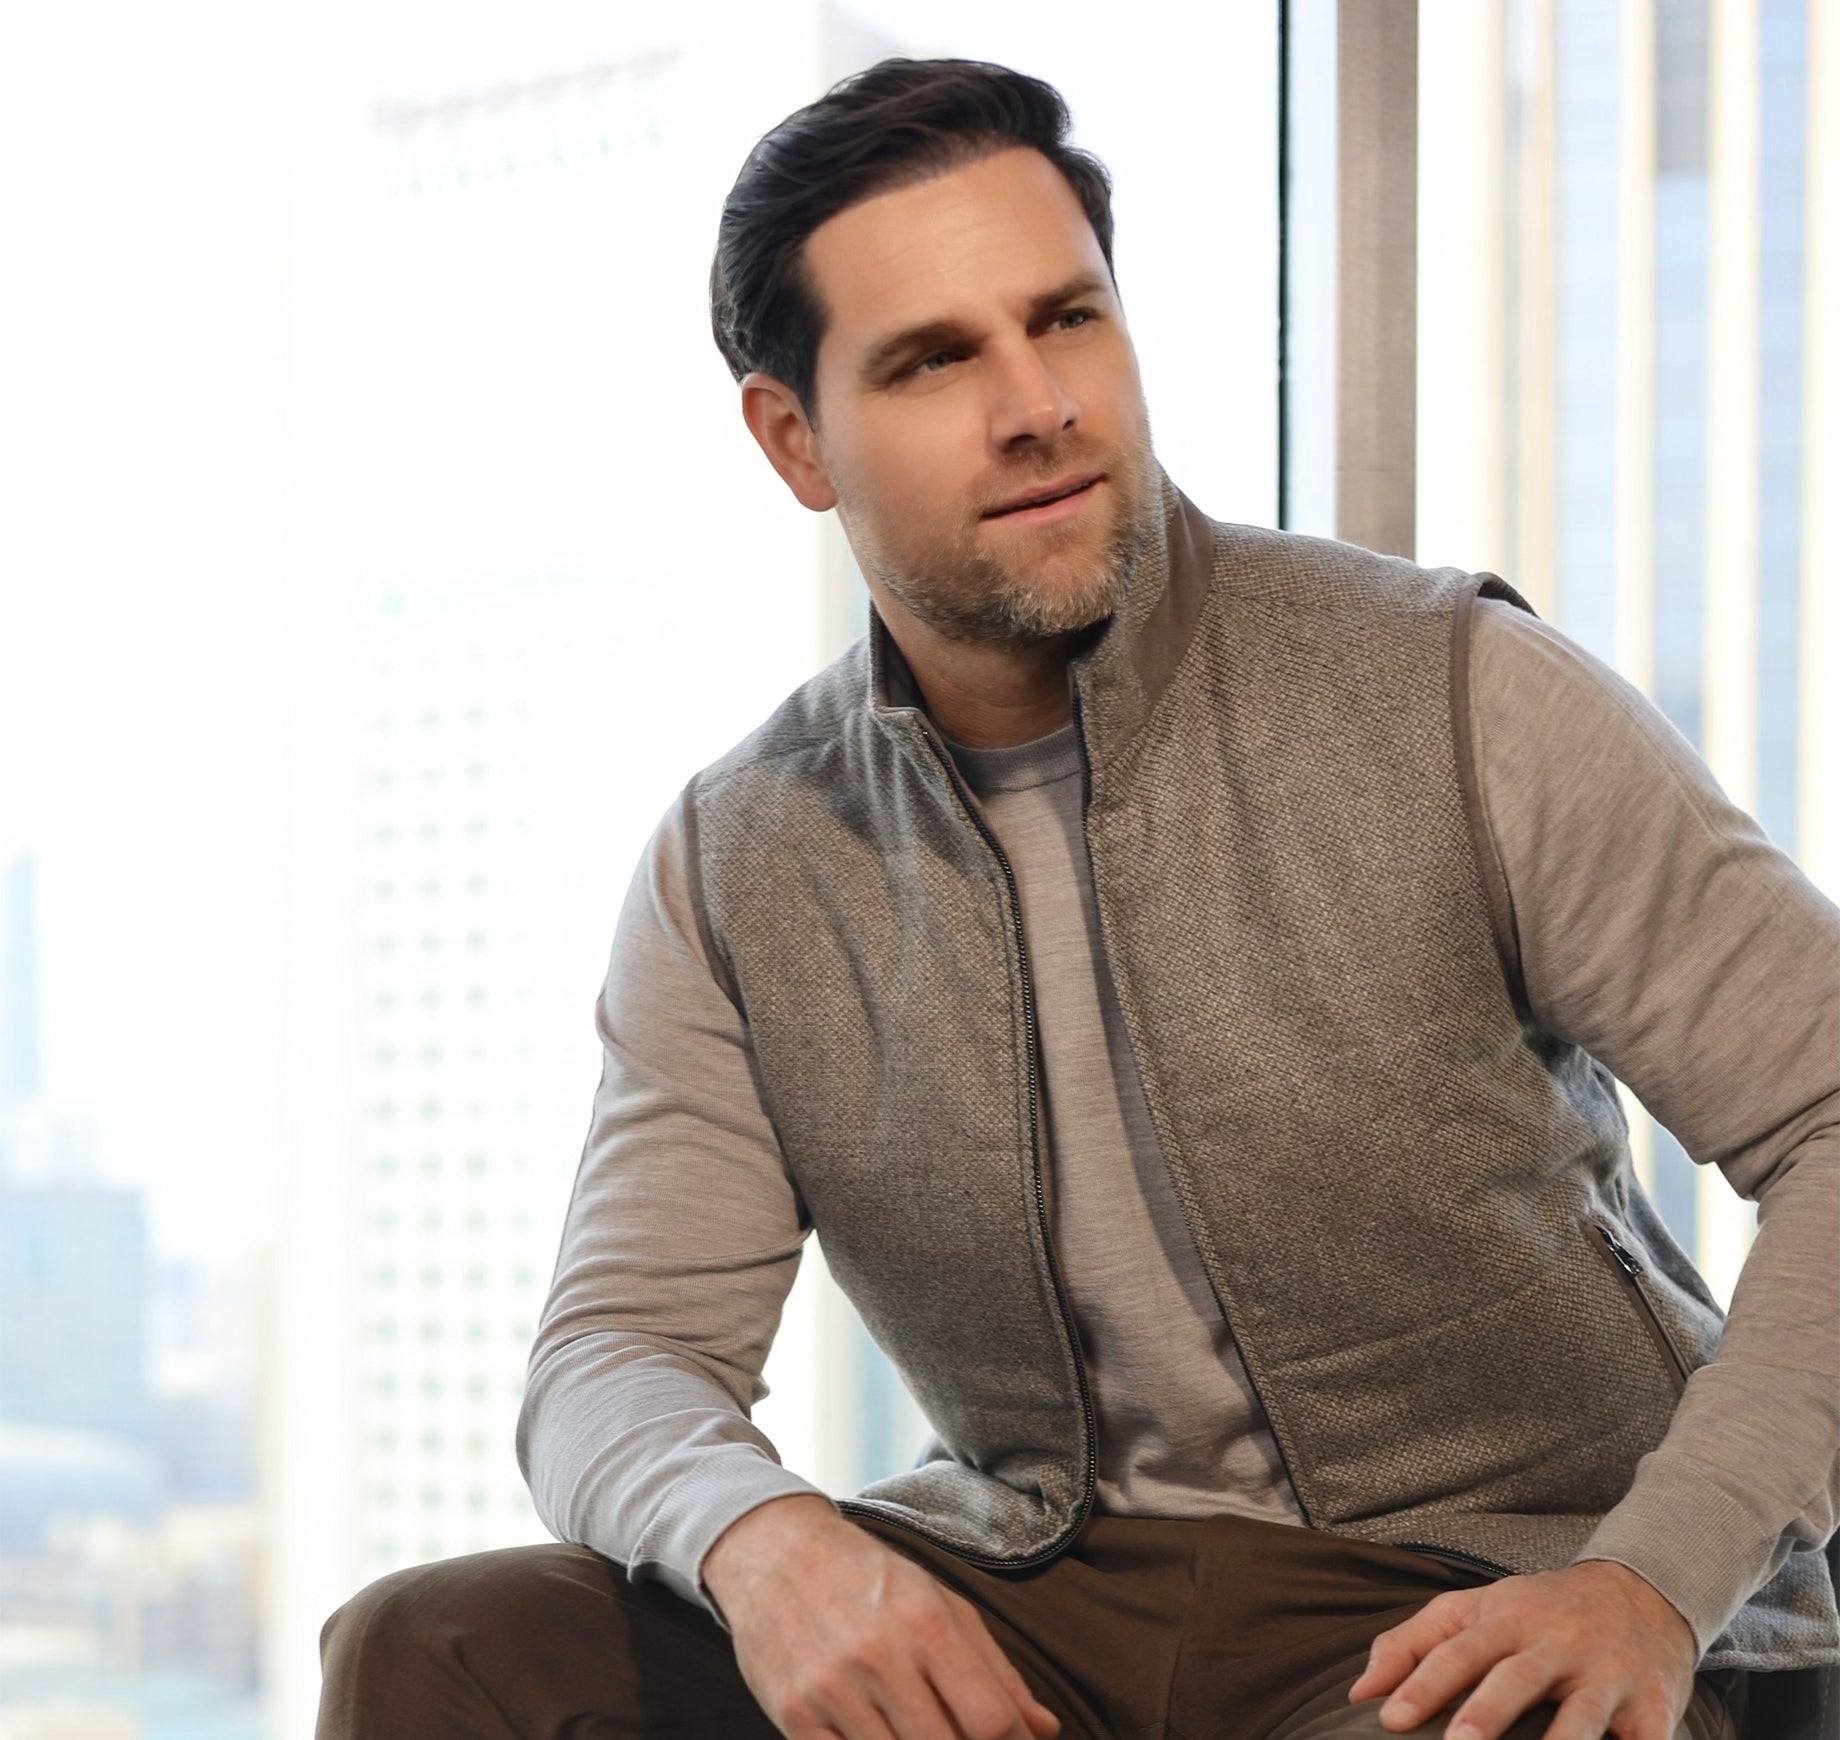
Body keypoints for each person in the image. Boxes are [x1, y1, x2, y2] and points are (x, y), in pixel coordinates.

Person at [314, 57, 1839, 1740]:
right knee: (437, 1650)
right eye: (934, 359)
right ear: (792, 438)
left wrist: (1659, 1575)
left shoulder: (1457, 693)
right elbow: (613, 1353)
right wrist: (768, 1547)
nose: (1036, 402)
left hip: (1483, 1598)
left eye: (1067, 320)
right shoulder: (742, 859)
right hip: (1041, 1601)